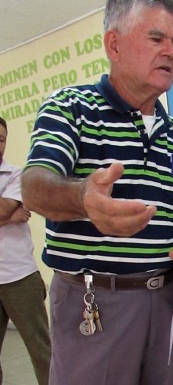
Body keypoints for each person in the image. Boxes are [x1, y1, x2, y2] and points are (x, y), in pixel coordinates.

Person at [21, 0, 173, 385]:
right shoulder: (70, 109)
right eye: (156, 38)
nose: (170, 51)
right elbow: (35, 184)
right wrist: (82, 198)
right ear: (114, 44)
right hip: (94, 303)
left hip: (171, 304)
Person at [0, 117, 51, 385]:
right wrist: (10, 216)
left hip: (20, 277)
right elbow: (7, 211)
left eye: (2, 139)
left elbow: (4, 209)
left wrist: (8, 213)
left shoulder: (17, 174)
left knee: (42, 352)